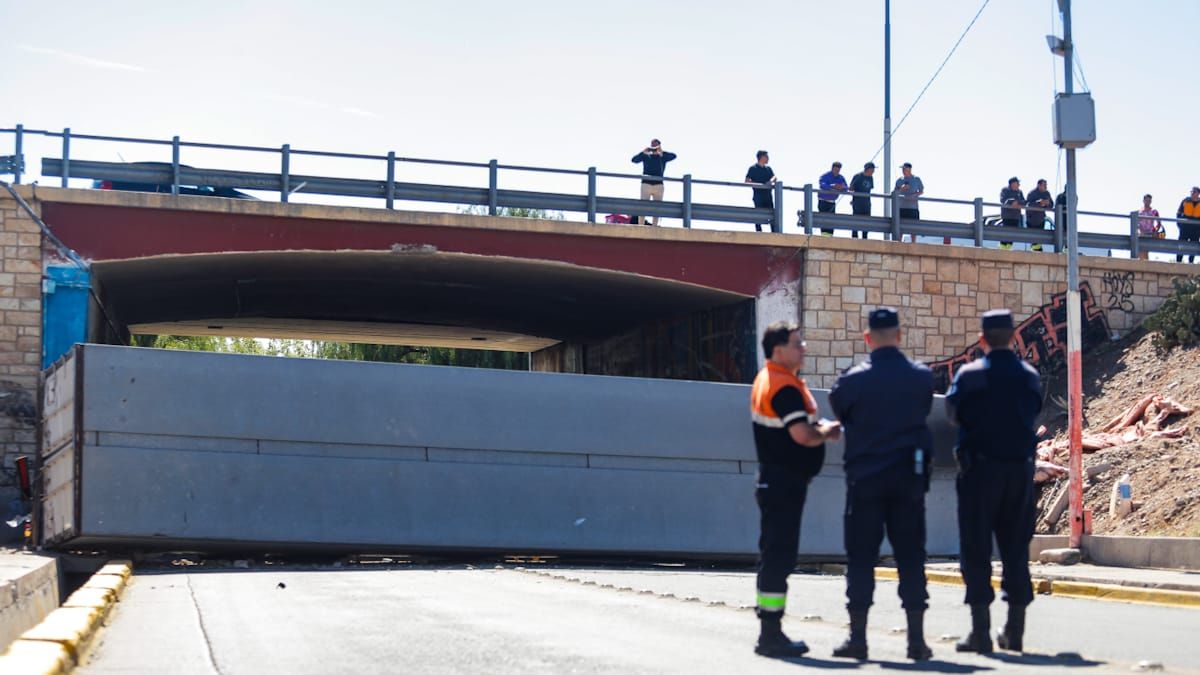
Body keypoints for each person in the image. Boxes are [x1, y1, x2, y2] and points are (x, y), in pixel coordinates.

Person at [828, 308, 935, 662]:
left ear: (867, 338)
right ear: (899, 336)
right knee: (911, 558)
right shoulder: (921, 378)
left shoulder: (852, 381)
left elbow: (840, 409)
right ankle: (916, 641)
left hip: (866, 481)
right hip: (908, 481)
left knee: (860, 559)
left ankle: (858, 639)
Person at [945, 310, 1042, 654]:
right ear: (1014, 337)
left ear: (982, 339)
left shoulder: (970, 376)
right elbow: (1034, 409)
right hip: (1019, 473)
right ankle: (1015, 631)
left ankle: (981, 632)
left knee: (976, 549)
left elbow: (953, 413)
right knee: (1016, 549)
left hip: (979, 473)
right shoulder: (1029, 376)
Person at [750, 322, 842, 657]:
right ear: (778, 350)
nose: (802, 347)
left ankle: (769, 628)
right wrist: (827, 431)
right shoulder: (783, 387)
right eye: (796, 343)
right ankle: (770, 634)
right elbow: (801, 435)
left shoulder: (770, 379)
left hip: (777, 480)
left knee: (774, 553)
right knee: (779, 555)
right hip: (783, 482)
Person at [630, 139, 677, 226]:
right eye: (652, 145)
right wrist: (643, 152)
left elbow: (674, 156)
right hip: (646, 184)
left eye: (656, 145)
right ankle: (641, 224)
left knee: (657, 208)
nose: (654, 147)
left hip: (658, 185)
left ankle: (655, 225)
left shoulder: (662, 156)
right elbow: (634, 160)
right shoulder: (646, 156)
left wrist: (661, 152)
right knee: (643, 207)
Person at [746, 151, 776, 233]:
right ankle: (759, 231)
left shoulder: (768, 169)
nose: (768, 158)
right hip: (758, 195)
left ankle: (774, 232)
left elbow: (774, 177)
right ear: (762, 157)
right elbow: (747, 181)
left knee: (772, 213)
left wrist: (770, 181)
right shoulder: (753, 169)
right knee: (758, 214)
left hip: (768, 195)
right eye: (766, 157)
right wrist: (758, 185)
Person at [893, 163, 924, 242]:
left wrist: (914, 195)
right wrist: (902, 189)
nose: (903, 171)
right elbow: (894, 193)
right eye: (902, 169)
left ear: (909, 169)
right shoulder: (899, 180)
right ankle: (899, 242)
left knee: (913, 227)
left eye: (904, 169)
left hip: (913, 207)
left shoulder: (916, 179)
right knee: (900, 227)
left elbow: (921, 191)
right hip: (902, 207)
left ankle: (913, 243)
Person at [818, 161, 848, 236]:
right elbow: (822, 185)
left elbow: (846, 188)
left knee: (831, 220)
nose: (837, 172)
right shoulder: (826, 175)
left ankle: (830, 237)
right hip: (823, 202)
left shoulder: (841, 178)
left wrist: (841, 188)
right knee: (823, 220)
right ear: (832, 168)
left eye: (838, 170)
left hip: (832, 202)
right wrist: (832, 186)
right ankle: (824, 237)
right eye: (835, 170)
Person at [849, 162, 876, 239]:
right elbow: (851, 188)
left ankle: (865, 237)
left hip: (867, 202)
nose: (873, 172)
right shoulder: (858, 176)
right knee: (856, 220)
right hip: (857, 202)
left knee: (866, 220)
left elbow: (869, 189)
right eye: (872, 170)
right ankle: (855, 237)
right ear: (867, 169)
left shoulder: (871, 178)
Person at [1026, 179, 1052, 252]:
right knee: (1033, 238)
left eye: (1046, 185)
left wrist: (1047, 204)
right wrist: (1039, 203)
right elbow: (1028, 205)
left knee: (1040, 237)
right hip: (1032, 219)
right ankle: (1035, 250)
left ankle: (1037, 250)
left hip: (1041, 219)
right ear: (1039, 185)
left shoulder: (1047, 193)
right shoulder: (1032, 193)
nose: (1046, 187)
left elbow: (1051, 205)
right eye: (1044, 185)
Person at [999, 178, 1025, 251]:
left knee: (1012, 234)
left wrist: (1018, 203)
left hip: (1016, 217)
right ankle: (1002, 250)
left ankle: (1008, 249)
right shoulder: (1005, 190)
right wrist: (1012, 202)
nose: (1018, 185)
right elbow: (1002, 200)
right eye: (1017, 184)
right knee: (1005, 234)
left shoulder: (1020, 192)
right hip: (1007, 216)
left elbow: (1024, 201)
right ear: (1012, 184)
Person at [1176, 187, 1200, 263]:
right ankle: (1178, 262)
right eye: (1191, 191)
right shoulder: (1185, 201)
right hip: (1185, 228)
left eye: (1194, 192)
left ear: (1198, 193)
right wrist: (1180, 225)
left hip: (1196, 229)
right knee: (1181, 246)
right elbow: (1178, 213)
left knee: (1193, 246)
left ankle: (1191, 262)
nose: (1192, 193)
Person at [1137, 194, 1164, 260]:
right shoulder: (1139, 211)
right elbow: (1136, 223)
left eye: (1149, 200)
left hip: (1149, 234)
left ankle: (1145, 267)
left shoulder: (1154, 211)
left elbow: (1159, 223)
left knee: (1145, 251)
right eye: (1146, 200)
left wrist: (1155, 231)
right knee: (1139, 251)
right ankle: (1141, 267)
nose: (1148, 202)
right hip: (1141, 234)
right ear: (1143, 201)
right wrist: (1140, 230)